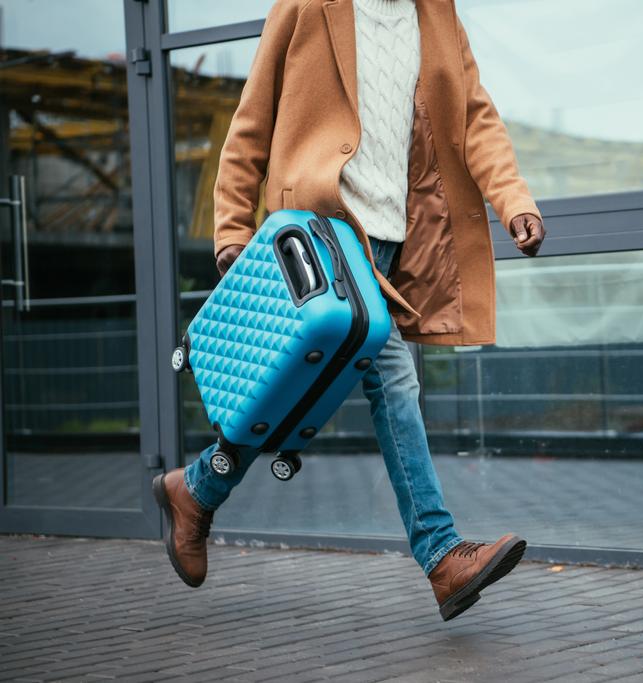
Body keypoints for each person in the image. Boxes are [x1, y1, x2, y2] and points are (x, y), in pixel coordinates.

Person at [152, 0, 546, 622]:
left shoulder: (436, 16)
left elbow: (475, 117)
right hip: (323, 233)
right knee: (392, 379)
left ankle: (196, 490)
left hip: (397, 243)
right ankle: (442, 554)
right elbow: (252, 115)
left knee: (292, 386)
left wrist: (513, 199)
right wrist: (231, 227)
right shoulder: (308, 5)